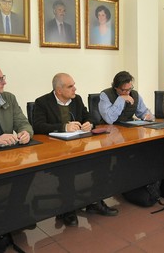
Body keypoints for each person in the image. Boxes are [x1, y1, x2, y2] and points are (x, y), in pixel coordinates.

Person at [33, 73, 118, 226]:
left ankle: (95, 201)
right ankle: (68, 209)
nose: (75, 89)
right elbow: (37, 126)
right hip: (56, 152)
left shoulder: (76, 99)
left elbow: (90, 117)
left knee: (102, 160)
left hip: (78, 147)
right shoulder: (42, 102)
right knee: (68, 168)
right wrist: (63, 127)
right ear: (59, 90)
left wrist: (89, 124)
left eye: (74, 85)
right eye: (70, 86)